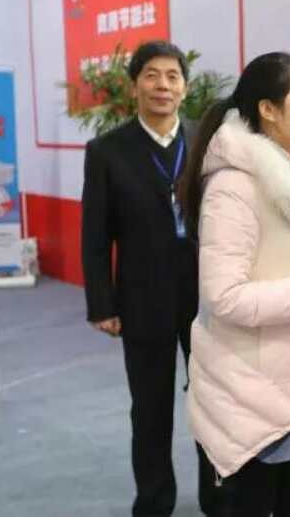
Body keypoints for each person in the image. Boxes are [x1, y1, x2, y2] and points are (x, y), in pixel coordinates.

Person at [180, 51, 290, 516]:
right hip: (250, 385)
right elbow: (225, 296)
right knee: (257, 504)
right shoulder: (234, 188)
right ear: (269, 109)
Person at [81, 40, 227, 516]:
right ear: (134, 86)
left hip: (207, 297)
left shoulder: (208, 140)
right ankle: (154, 500)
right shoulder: (107, 151)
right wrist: (102, 304)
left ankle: (217, 497)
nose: (162, 85)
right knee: (150, 408)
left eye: (172, 76)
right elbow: (96, 234)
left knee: (213, 401)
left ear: (184, 87)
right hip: (143, 298)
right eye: (151, 75)